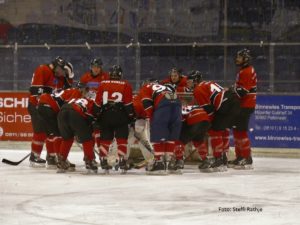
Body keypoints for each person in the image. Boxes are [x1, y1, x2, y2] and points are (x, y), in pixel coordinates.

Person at [28, 56, 73, 167]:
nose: (63, 74)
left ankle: (51, 156)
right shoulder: (43, 69)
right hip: (37, 105)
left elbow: (67, 89)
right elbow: (36, 93)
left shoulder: (59, 76)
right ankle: (34, 156)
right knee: (40, 131)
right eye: (63, 71)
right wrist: (42, 106)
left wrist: (68, 77)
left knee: (52, 132)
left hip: (49, 106)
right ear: (57, 66)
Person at [192, 70, 240, 172]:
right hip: (233, 101)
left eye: (190, 81)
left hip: (225, 104)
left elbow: (208, 110)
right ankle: (223, 157)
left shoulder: (197, 89)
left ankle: (218, 159)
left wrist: (206, 124)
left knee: (214, 130)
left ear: (195, 81)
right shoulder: (208, 83)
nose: (188, 84)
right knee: (223, 130)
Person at [37, 78, 88, 169]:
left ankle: (53, 158)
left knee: (52, 134)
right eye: (85, 90)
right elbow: (69, 108)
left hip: (42, 105)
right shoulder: (76, 93)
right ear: (81, 89)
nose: (86, 92)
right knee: (59, 135)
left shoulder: (70, 91)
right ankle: (60, 160)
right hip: (49, 107)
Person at [94, 65, 135, 172]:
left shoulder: (103, 83)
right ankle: (122, 160)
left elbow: (97, 103)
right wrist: (131, 116)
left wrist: (96, 116)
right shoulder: (126, 84)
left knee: (105, 139)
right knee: (122, 138)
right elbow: (128, 104)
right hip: (120, 114)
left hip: (105, 114)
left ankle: (103, 159)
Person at [139, 80, 182, 173]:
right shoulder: (164, 87)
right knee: (171, 135)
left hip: (163, 102)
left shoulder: (145, 87)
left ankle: (159, 163)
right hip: (177, 102)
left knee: (158, 132)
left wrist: (152, 119)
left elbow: (147, 104)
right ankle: (169, 162)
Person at [228, 48, 257, 169]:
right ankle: (240, 156)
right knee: (237, 131)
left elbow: (242, 92)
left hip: (245, 105)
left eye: (240, 57)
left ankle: (246, 157)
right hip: (243, 105)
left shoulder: (246, 71)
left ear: (245, 59)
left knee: (241, 132)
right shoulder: (244, 70)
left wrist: (231, 90)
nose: (237, 59)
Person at [57, 95, 98, 173]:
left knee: (67, 139)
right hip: (75, 113)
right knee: (87, 138)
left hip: (62, 112)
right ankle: (89, 160)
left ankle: (61, 161)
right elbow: (91, 119)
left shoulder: (77, 98)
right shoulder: (93, 103)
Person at [80, 58, 109, 149]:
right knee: (89, 130)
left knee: (98, 129)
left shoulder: (106, 76)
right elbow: (81, 91)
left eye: (98, 67)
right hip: (88, 106)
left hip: (99, 105)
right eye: (94, 67)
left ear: (101, 68)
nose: (96, 69)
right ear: (91, 67)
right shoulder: (85, 77)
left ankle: (101, 150)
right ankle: (89, 153)